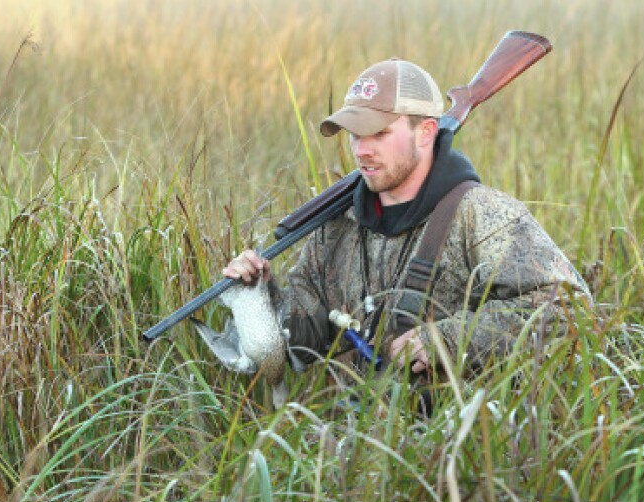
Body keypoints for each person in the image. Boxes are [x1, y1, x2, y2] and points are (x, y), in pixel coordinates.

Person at [223, 58, 590, 393]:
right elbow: (303, 342)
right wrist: (258, 295)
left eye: (379, 133)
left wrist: (448, 340)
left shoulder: (482, 214)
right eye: (355, 134)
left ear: (427, 132)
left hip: (456, 448)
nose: (361, 150)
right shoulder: (334, 224)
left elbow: (569, 309)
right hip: (349, 445)